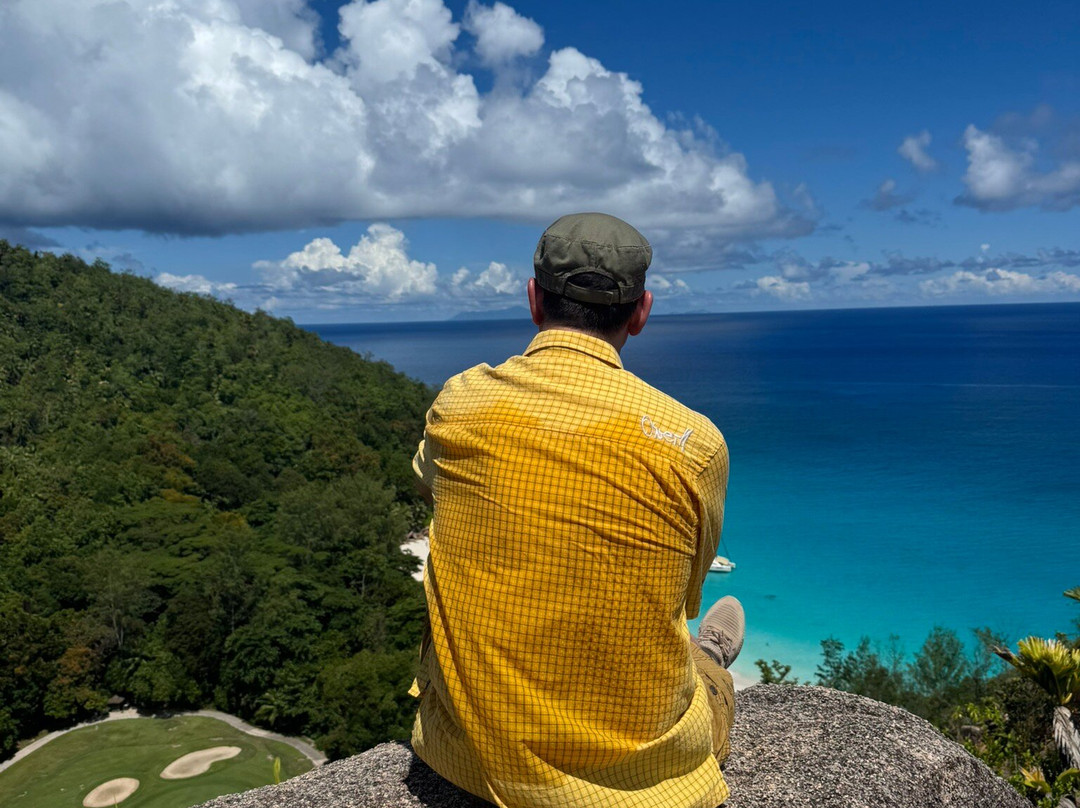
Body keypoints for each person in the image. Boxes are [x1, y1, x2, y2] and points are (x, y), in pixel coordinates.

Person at [409, 212, 744, 808]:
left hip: (471, 754)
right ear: (640, 313)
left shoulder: (460, 401)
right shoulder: (695, 443)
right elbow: (683, 594)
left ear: (534, 299)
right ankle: (712, 661)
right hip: (641, 777)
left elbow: (426, 480)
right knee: (703, 673)